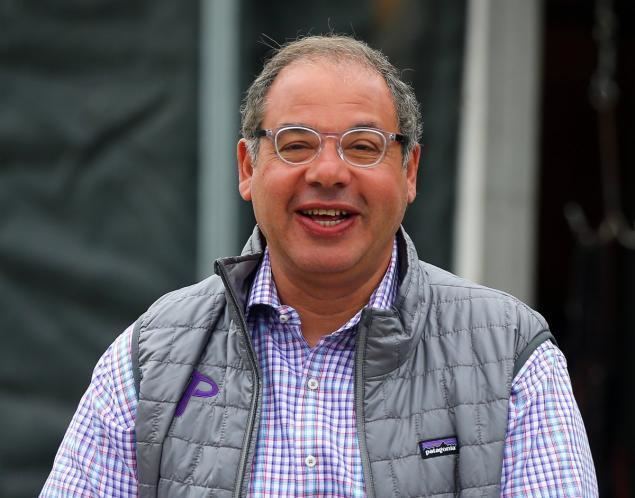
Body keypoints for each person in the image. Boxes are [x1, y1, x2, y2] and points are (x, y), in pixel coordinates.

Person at [41, 35, 597, 498]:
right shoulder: (152, 358)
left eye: (363, 146)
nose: (328, 172)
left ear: (409, 171)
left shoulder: (510, 359)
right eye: (297, 144)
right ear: (247, 167)